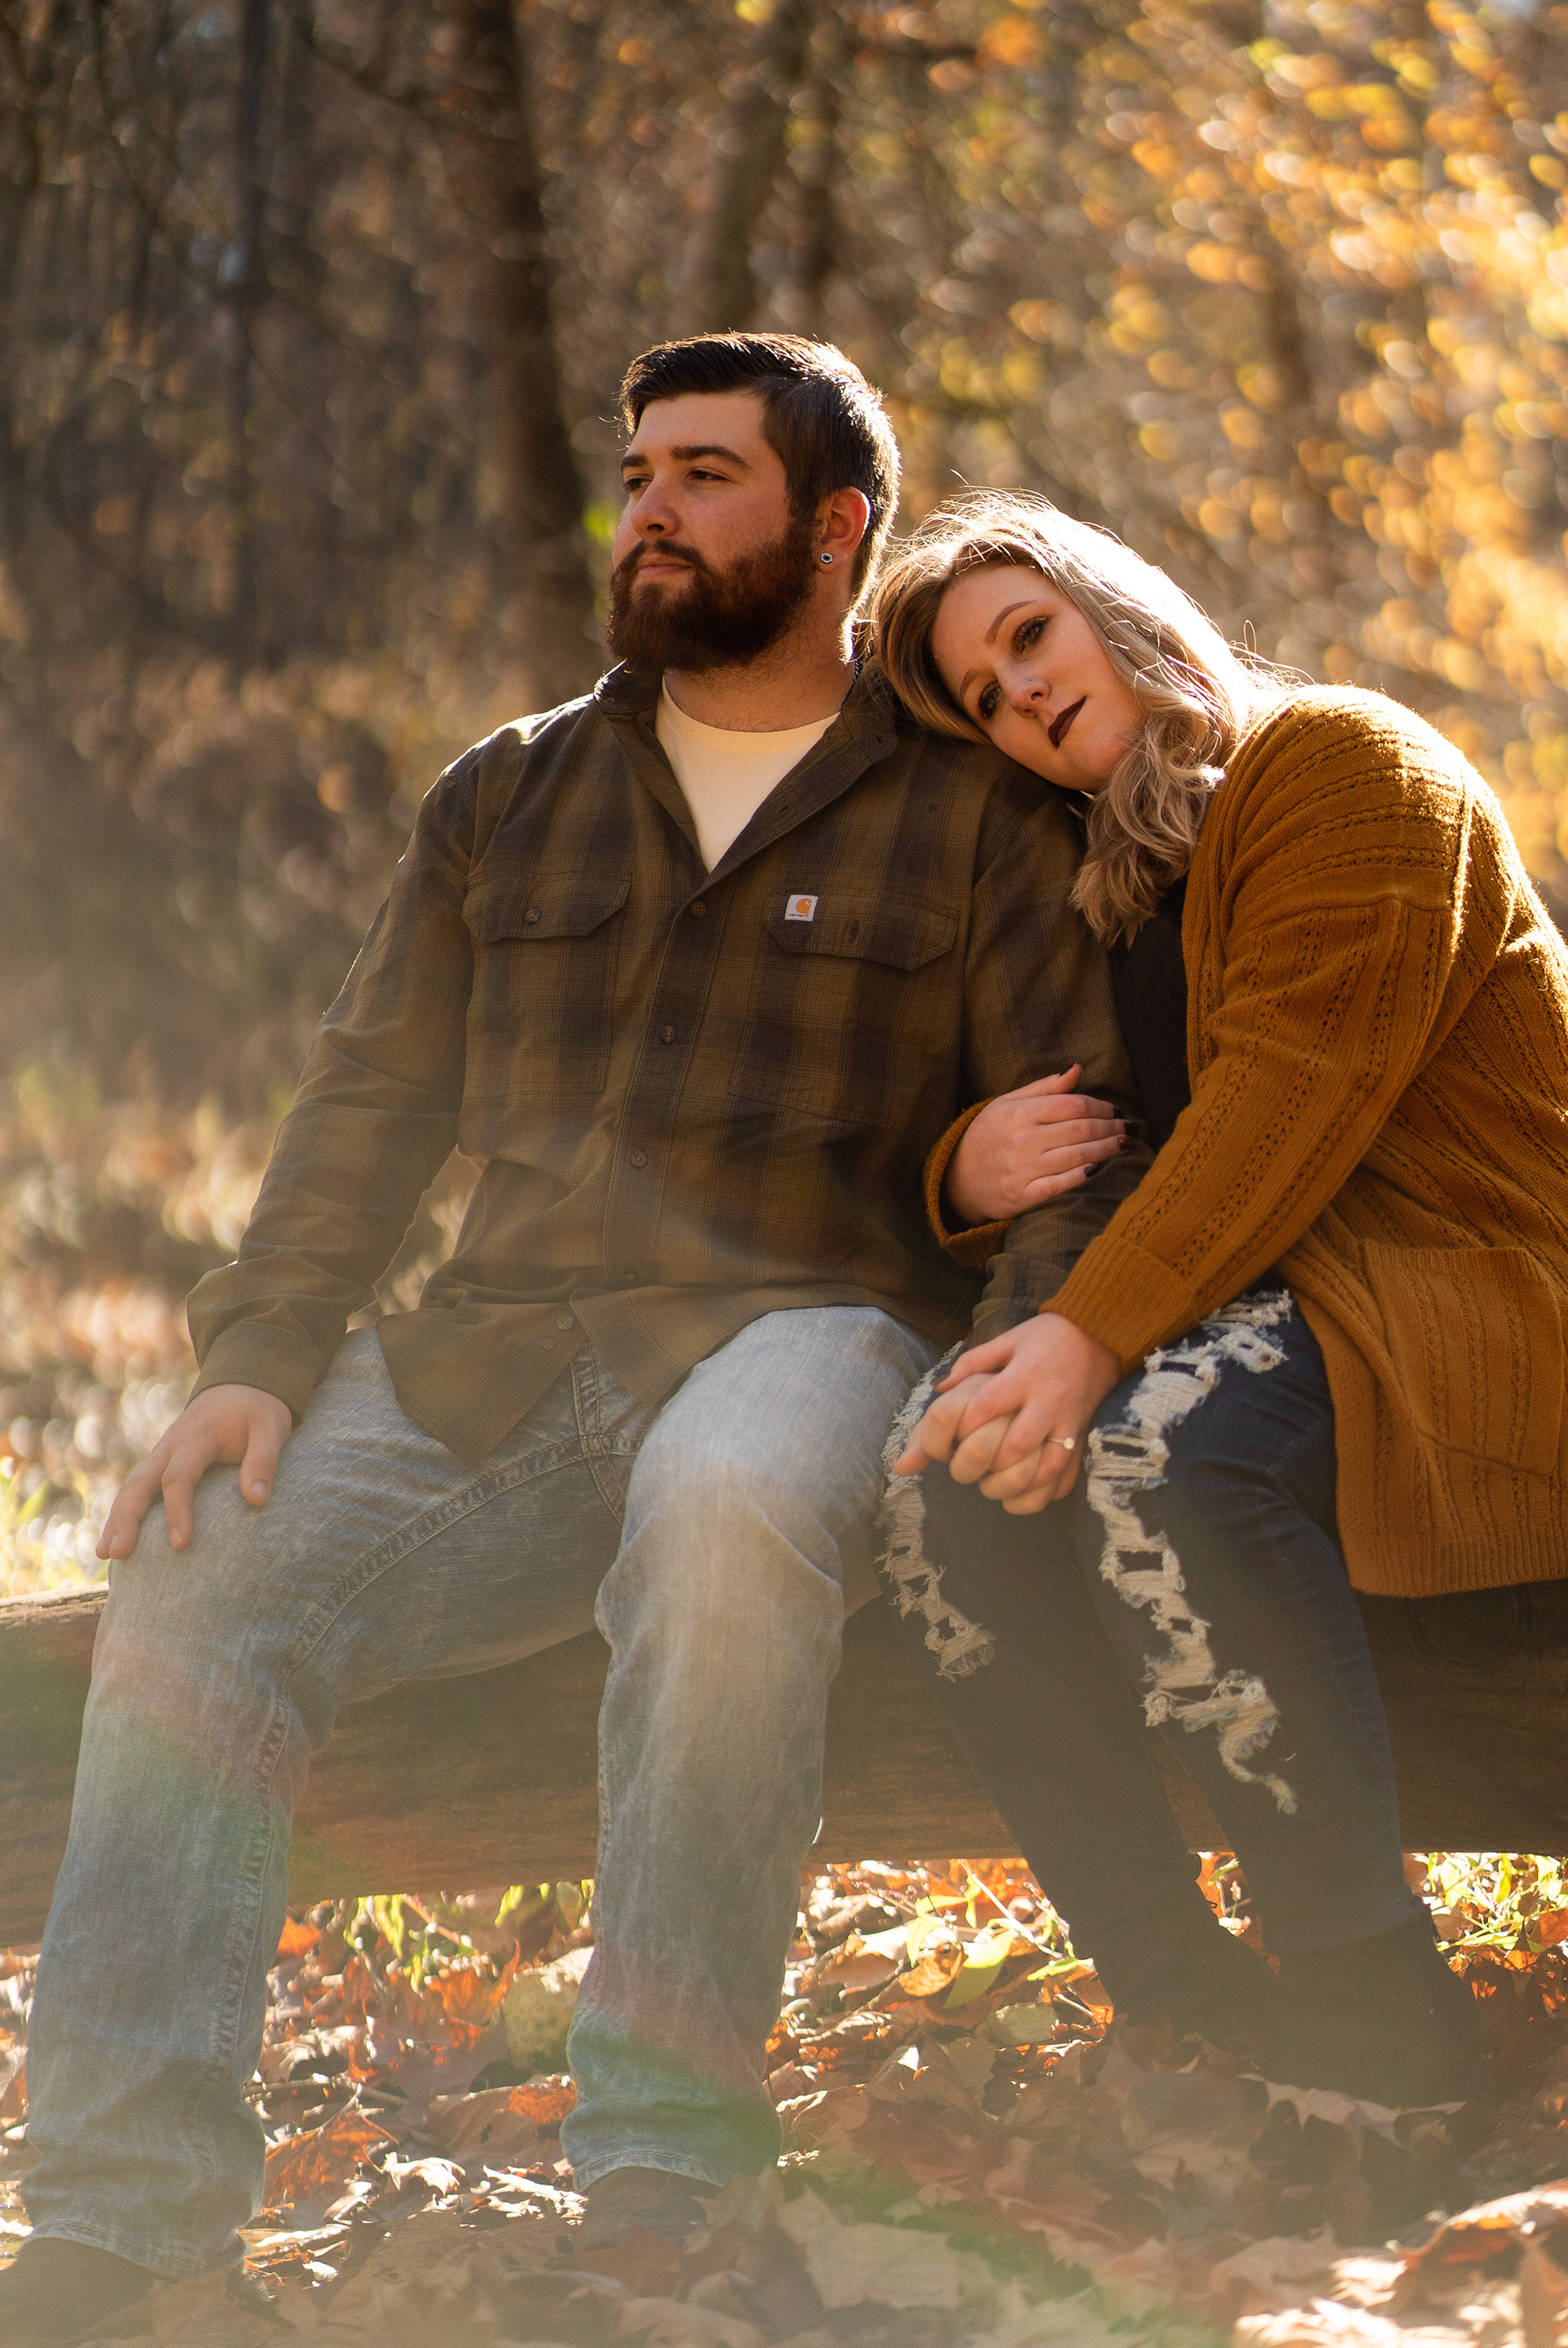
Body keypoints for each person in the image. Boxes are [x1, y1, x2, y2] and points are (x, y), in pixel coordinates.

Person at [3, 343, 1149, 2347]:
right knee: (200, 1554)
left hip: (817, 1329)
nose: (651, 509)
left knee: (727, 1507)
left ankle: (661, 2171)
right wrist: (258, 1353)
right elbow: (369, 1102)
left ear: (834, 527)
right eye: (639, 471)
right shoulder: (510, 793)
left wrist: (1031, 1352)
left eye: (706, 474)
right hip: (507, 1359)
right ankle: (121, 2223)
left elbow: (1066, 1137)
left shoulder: (970, 812)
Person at [871, 491, 1568, 2110]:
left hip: (1491, 1297)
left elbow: (1286, 1091)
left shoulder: (1342, 764)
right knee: (939, 1487)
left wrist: (1084, 1341)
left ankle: (1377, 2015)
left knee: (1155, 1452)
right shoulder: (1120, 889)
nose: (1021, 694)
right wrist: (961, 1172)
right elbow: (1118, 1140)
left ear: (1117, 605)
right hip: (1307, 1312)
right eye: (984, 697)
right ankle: (1184, 2003)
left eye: (1029, 635)